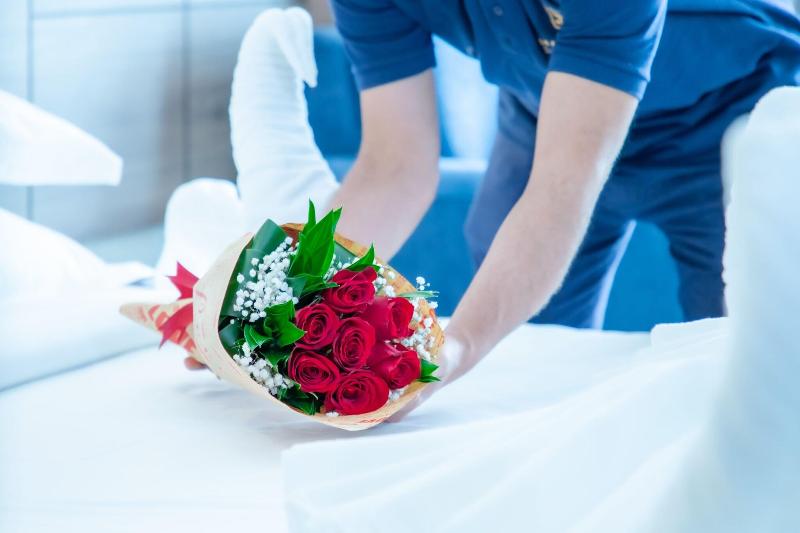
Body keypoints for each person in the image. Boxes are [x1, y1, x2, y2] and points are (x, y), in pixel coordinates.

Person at [315, 0, 800, 417]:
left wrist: (453, 348)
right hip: (548, 107)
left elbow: (562, 185)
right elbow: (393, 167)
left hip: (725, 112)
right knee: (530, 362)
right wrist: (293, 299)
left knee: (742, 361)